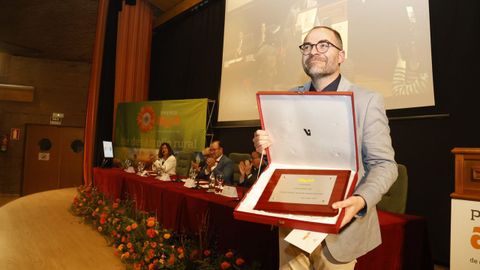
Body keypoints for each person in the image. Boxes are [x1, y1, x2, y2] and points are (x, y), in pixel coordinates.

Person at [253, 26, 398, 269]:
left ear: (341, 56)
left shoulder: (367, 100)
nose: (313, 51)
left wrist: (361, 200)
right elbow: (284, 160)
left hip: (341, 231)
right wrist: (266, 148)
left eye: (323, 45)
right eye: (307, 46)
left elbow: (385, 165)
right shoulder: (287, 99)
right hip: (292, 225)